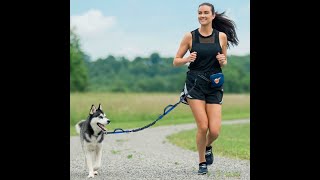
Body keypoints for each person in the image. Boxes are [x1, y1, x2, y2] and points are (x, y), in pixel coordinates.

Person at [173, 2, 239, 175]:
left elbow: (223, 61)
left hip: (214, 85)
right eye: (200, 13)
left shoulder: (221, 37)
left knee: (215, 130)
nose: (202, 16)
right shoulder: (190, 36)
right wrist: (187, 59)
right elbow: (175, 61)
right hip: (195, 84)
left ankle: (208, 145)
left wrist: (224, 62)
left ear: (212, 16)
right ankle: (202, 162)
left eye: (205, 13)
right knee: (203, 126)